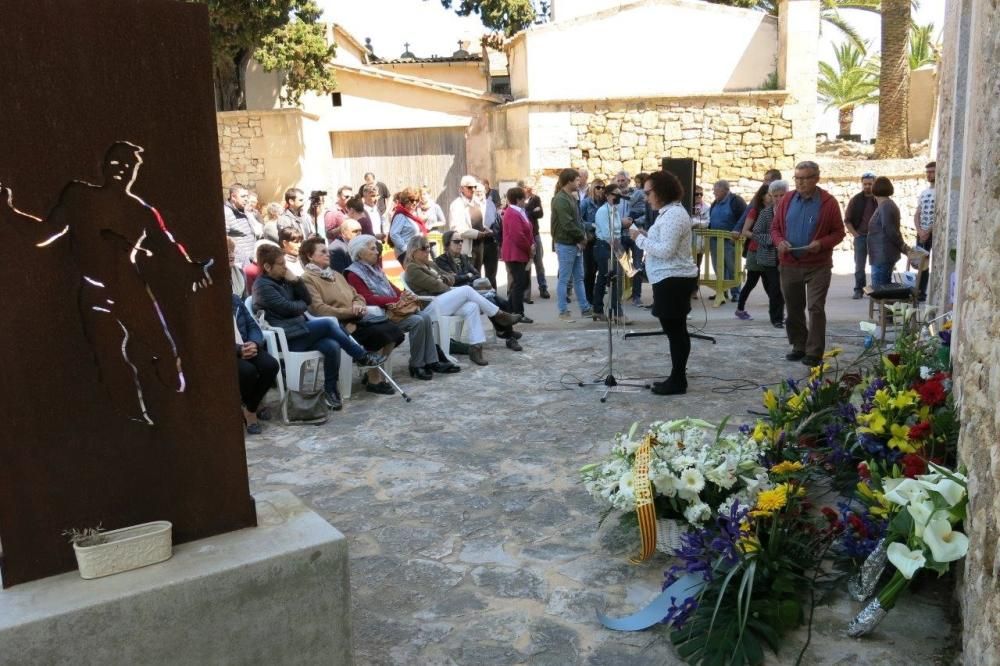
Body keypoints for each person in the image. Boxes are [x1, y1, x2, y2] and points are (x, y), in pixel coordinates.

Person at [252, 244, 385, 410]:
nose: (285, 267)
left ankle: (331, 390)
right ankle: (361, 356)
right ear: (267, 266)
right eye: (281, 264)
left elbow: (306, 301)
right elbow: (289, 308)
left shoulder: (285, 280)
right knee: (329, 322)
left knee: (332, 345)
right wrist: (298, 304)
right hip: (287, 338)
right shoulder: (263, 286)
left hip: (301, 331)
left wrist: (296, 280)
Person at [299, 237, 404, 395]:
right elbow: (318, 309)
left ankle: (372, 370)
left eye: (328, 251)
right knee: (377, 334)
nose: (328, 254)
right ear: (309, 256)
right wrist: (350, 311)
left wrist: (358, 305)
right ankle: (374, 380)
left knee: (394, 331)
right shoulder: (307, 279)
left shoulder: (335, 274)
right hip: (339, 323)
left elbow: (357, 295)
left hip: (357, 316)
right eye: (323, 252)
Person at [345, 234, 458, 380]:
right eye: (372, 249)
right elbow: (366, 298)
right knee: (417, 321)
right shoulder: (353, 273)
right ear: (360, 253)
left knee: (424, 316)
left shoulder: (374, 268)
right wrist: (396, 300)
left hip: (392, 310)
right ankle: (417, 364)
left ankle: (431, 360)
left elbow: (391, 287)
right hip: (378, 316)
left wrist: (404, 296)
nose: (377, 252)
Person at [628, 171, 699, 395]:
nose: (646, 197)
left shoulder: (673, 215)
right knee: (674, 330)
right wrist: (646, 234)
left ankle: (678, 381)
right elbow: (665, 242)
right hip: (668, 279)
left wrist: (638, 238)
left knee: (676, 331)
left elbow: (666, 251)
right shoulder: (667, 213)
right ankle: (677, 377)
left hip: (673, 280)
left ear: (661, 191)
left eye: (648, 192)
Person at [771, 161, 846, 367]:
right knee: (794, 308)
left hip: (817, 264)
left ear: (816, 178)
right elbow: (775, 228)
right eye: (797, 178)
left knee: (815, 307)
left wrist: (821, 244)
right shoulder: (786, 200)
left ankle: (814, 351)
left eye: (806, 178)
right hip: (790, 263)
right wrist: (780, 242)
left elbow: (839, 232)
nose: (801, 182)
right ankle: (799, 345)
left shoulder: (828, 203)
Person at [403, 235, 522, 365]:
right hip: (430, 307)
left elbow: (451, 278)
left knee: (472, 306)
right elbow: (437, 286)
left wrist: (443, 280)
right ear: (414, 251)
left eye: (429, 247)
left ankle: (476, 348)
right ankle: (499, 315)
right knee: (466, 289)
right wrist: (442, 280)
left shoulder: (430, 264)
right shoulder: (412, 269)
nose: (428, 251)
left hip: (442, 301)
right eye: (424, 248)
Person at [436, 229, 528, 344]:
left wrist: (465, 276)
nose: (460, 244)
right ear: (447, 244)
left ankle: (506, 333)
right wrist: (467, 276)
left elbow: (476, 274)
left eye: (461, 241)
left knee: (502, 302)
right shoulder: (441, 261)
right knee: (491, 299)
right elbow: (452, 281)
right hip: (458, 295)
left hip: (472, 292)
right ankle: (506, 334)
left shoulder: (463, 258)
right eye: (456, 241)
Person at [737, 181, 786, 327]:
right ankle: (776, 319)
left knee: (784, 287)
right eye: (775, 196)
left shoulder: (791, 211)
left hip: (788, 256)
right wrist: (773, 240)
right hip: (769, 257)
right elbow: (755, 233)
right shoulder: (765, 213)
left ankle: (782, 315)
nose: (778, 199)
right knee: (775, 287)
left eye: (782, 195)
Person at [232, 294, 279, 434]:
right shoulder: (206, 304)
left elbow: (253, 326)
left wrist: (254, 343)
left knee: (270, 366)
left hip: (246, 344)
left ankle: (250, 406)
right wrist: (238, 350)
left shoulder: (234, 299)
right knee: (248, 371)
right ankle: (252, 410)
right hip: (226, 353)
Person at [552, 168, 592, 320]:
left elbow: (578, 220)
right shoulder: (561, 199)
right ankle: (563, 310)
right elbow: (567, 224)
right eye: (576, 180)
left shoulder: (571, 197)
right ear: (569, 181)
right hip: (566, 243)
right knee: (565, 278)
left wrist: (584, 236)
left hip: (574, 243)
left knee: (578, 278)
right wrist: (581, 237)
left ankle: (585, 308)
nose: (579, 182)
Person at [593, 184, 633, 324]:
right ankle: (616, 312)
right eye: (616, 194)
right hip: (606, 246)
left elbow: (616, 229)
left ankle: (598, 309)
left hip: (616, 244)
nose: (618, 197)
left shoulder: (614, 210)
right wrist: (619, 251)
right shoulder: (603, 211)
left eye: (619, 194)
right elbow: (606, 234)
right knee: (613, 278)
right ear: (608, 195)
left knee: (609, 279)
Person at [733, 183, 770, 320]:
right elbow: (745, 231)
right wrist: (764, 238)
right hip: (755, 252)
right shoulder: (755, 210)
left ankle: (776, 312)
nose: (772, 197)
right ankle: (740, 309)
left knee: (770, 284)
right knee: (751, 282)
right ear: (762, 196)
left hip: (769, 252)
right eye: (770, 194)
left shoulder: (775, 210)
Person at [500, 187, 535, 325]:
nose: (525, 201)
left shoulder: (517, 212)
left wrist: (531, 244)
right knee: (520, 283)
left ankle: (509, 310)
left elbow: (527, 230)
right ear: (519, 199)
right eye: (524, 199)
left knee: (520, 282)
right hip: (515, 253)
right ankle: (518, 313)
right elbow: (518, 236)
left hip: (519, 252)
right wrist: (529, 248)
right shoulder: (513, 213)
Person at [708, 180, 747, 301]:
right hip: (715, 240)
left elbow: (745, 218)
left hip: (730, 241)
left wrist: (737, 232)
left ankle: (736, 293)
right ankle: (722, 291)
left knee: (732, 267)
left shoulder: (736, 201)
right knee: (718, 267)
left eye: (716, 190)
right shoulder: (715, 202)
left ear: (725, 190)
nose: (714, 193)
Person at [867, 177, 907, 288]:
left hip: (883, 255)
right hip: (880, 255)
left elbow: (890, 230)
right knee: (881, 290)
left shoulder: (886, 206)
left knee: (881, 292)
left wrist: (903, 247)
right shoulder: (884, 205)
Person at [844, 172, 878, 299]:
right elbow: (847, 220)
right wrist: (856, 235)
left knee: (877, 266)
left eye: (870, 184)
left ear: (875, 183)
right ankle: (859, 289)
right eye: (865, 184)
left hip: (877, 238)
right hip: (861, 237)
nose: (867, 186)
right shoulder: (856, 200)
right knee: (859, 266)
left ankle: (877, 290)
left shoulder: (880, 199)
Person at [449, 175, 491, 271]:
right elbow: (458, 228)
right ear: (461, 189)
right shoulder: (457, 205)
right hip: (466, 248)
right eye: (469, 187)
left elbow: (479, 222)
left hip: (479, 246)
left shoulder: (477, 202)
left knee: (478, 277)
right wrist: (478, 234)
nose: (473, 189)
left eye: (474, 187)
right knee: (468, 277)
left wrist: (485, 229)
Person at [521, 178, 550, 301]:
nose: (530, 189)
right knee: (527, 264)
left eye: (531, 187)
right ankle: (526, 293)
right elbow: (524, 214)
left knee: (539, 263)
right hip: (524, 235)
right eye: (528, 187)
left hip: (535, 233)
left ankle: (543, 287)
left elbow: (540, 214)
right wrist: (531, 211)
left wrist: (530, 212)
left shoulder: (536, 198)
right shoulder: (520, 199)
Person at [389, 187, 428, 264]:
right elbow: (393, 234)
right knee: (415, 274)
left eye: (416, 200)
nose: (414, 203)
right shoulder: (400, 215)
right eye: (412, 200)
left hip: (415, 251)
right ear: (405, 201)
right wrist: (405, 249)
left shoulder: (412, 214)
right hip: (406, 253)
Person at [914, 161, 935, 301]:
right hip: (921, 232)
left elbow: (941, 214)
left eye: (932, 171)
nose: (929, 174)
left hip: (933, 232)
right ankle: (920, 291)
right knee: (921, 263)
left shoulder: (941, 191)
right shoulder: (924, 193)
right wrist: (920, 230)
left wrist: (929, 231)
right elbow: (917, 213)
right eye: (927, 172)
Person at [224, 182, 257, 267]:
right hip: (239, 262)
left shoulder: (244, 210)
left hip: (251, 258)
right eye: (243, 196)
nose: (246, 199)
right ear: (233, 197)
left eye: (247, 196)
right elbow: (225, 240)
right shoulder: (226, 213)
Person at [475, 181, 500, 289]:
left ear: (485, 192)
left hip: (490, 241)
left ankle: (493, 297)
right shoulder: (471, 205)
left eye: (481, 191)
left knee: (491, 273)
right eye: (477, 191)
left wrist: (493, 231)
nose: (479, 193)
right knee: (476, 273)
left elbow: (495, 220)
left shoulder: (490, 204)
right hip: (477, 241)